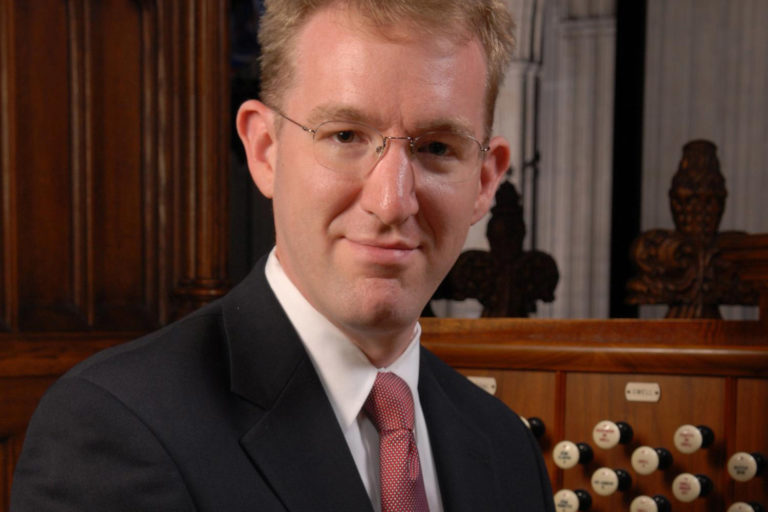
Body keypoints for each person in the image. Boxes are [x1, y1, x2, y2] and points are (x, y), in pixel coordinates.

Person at [11, 0, 555, 510]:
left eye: (437, 148)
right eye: (345, 135)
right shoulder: (114, 427)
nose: (392, 202)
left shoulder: (507, 446)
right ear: (264, 151)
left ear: (484, 181)